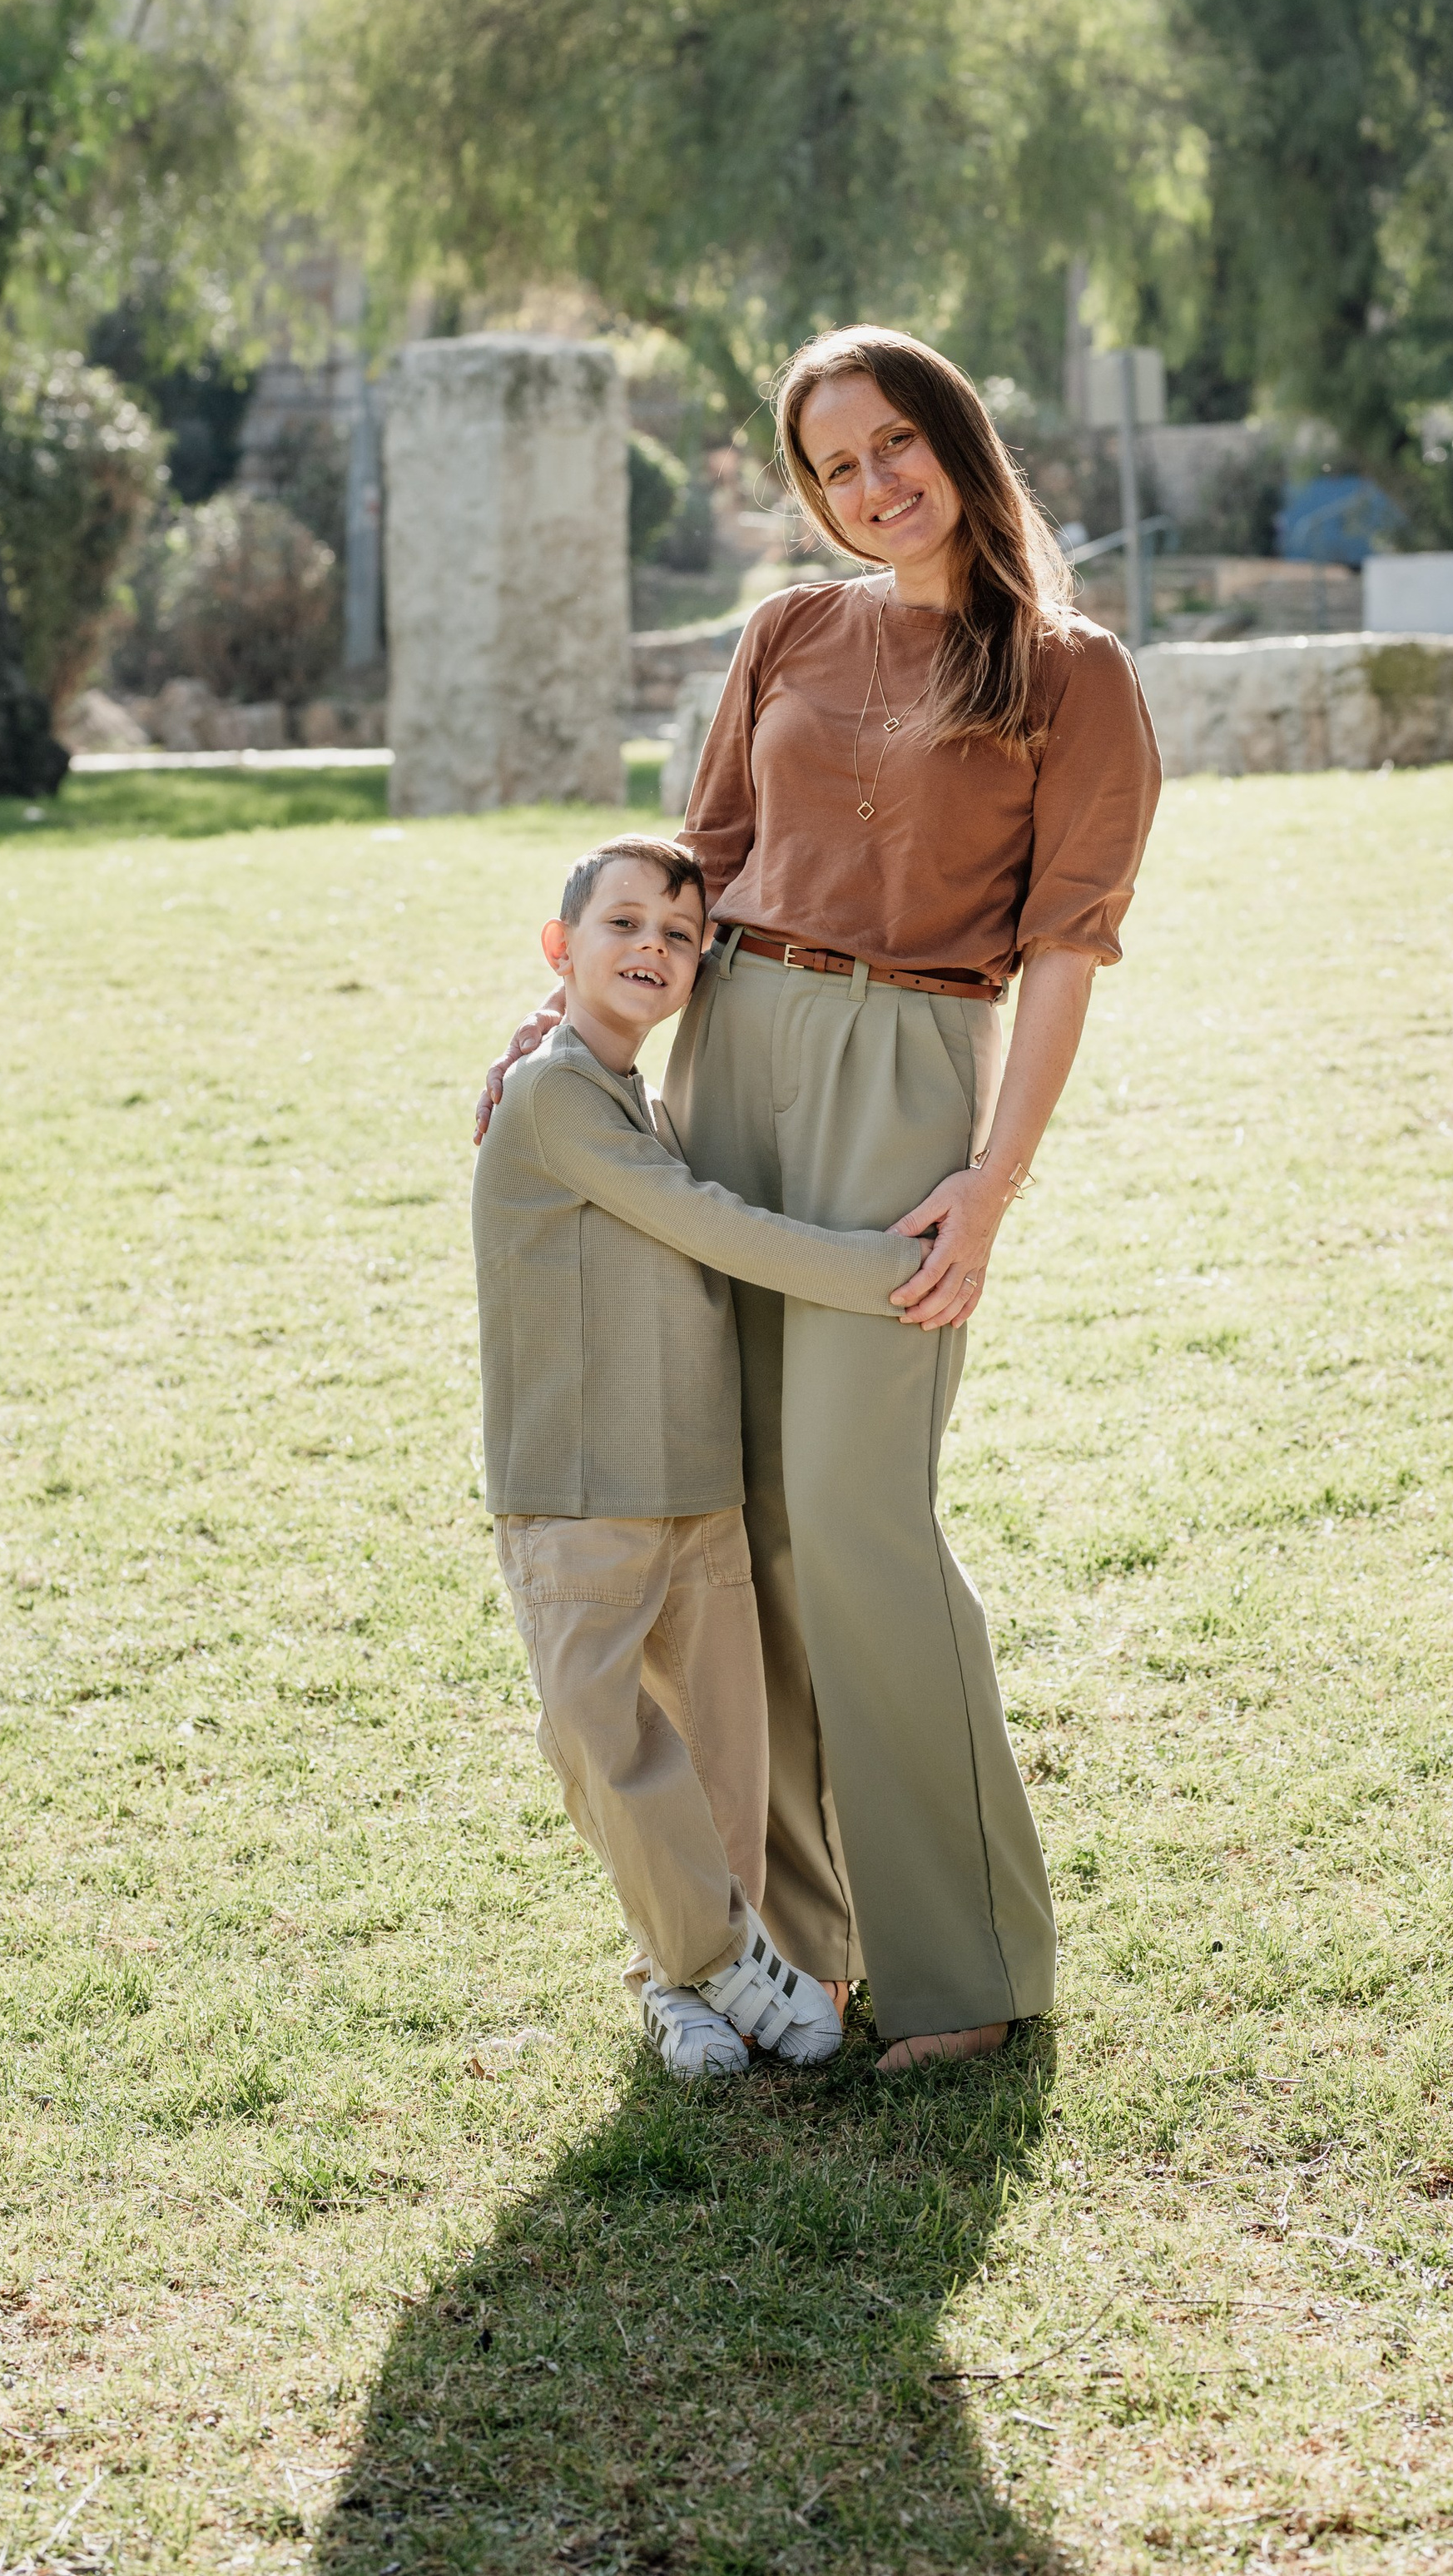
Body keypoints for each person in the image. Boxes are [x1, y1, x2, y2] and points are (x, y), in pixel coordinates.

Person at [479, 329, 1161, 2076]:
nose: (871, 483)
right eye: (832, 463)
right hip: (731, 1060)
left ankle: (969, 1965)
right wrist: (572, 1030)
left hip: (908, 1074)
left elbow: (1066, 955)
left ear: (955, 437)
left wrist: (989, 1186)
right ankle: (792, 1950)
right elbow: (685, 874)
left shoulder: (1071, 676)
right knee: (750, 1536)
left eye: (893, 442)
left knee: (855, 1520)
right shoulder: (781, 629)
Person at [474, 830, 930, 2079]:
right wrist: (899, 1272)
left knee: (721, 1763)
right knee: (608, 1744)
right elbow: (709, 1228)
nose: (653, 949)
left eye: (680, 935)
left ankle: (687, 1974)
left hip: (697, 1488)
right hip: (578, 1491)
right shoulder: (554, 1095)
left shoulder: (651, 1110)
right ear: (561, 951)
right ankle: (708, 1967)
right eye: (623, 926)